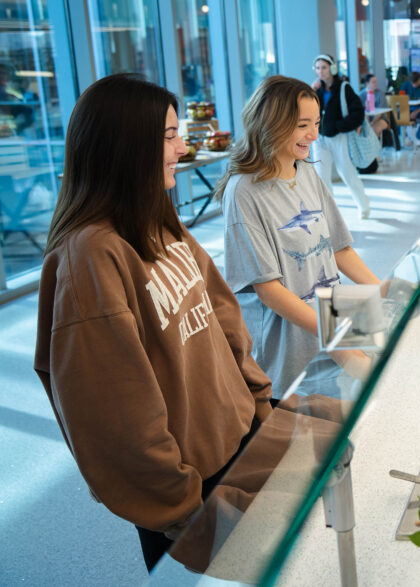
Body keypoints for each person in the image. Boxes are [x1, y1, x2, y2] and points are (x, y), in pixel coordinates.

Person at [34, 73, 274, 571]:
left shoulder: (155, 216)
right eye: (168, 136)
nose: (182, 147)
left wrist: (257, 403)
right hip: (187, 491)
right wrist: (181, 509)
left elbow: (222, 314)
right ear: (125, 146)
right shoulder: (89, 257)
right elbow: (115, 416)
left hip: (238, 442)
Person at [216, 75, 379, 401]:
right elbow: (269, 290)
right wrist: (342, 348)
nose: (314, 134)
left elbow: (340, 249)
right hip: (290, 359)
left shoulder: (305, 170)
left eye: (316, 123)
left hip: (330, 330)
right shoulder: (243, 192)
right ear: (272, 122)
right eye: (302, 124)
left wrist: (382, 299)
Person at [310, 54, 371, 219]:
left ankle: (364, 205)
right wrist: (312, 92)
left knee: (347, 173)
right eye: (317, 68)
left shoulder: (344, 88)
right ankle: (330, 214)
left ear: (332, 68)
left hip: (339, 137)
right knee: (322, 178)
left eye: (324, 67)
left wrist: (339, 126)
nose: (320, 72)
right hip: (320, 138)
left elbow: (358, 113)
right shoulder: (317, 90)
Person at [402, 71, 420, 147]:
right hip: (407, 108)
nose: (414, 85)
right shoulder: (405, 85)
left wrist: (416, 112)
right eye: (412, 83)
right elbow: (400, 100)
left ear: (419, 80)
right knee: (399, 116)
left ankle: (418, 137)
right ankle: (406, 137)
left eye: (416, 83)